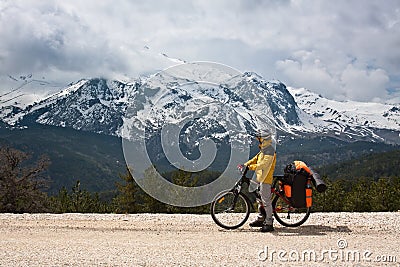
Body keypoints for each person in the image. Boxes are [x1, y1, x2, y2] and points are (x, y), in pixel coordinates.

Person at [243, 130, 276, 232]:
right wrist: (245, 164)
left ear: (264, 139)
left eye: (259, 138)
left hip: (266, 178)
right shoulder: (263, 149)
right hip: (260, 177)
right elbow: (255, 159)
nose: (258, 140)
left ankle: (269, 222)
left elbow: (264, 165)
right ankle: (261, 218)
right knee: (259, 199)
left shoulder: (270, 151)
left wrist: (251, 167)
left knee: (266, 201)